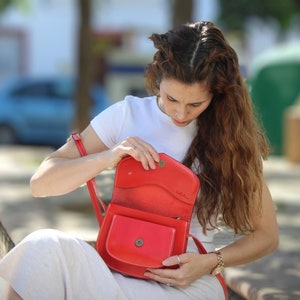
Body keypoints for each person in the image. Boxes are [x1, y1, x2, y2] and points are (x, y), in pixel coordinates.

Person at [0, 21, 278, 300]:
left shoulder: (231, 140)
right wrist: (109, 157)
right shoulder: (126, 116)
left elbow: (267, 235)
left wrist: (211, 262)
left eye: (195, 104)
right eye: (171, 98)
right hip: (120, 267)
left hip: (188, 283)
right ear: (159, 77)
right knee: (42, 249)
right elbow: (40, 184)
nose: (180, 114)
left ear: (216, 93)